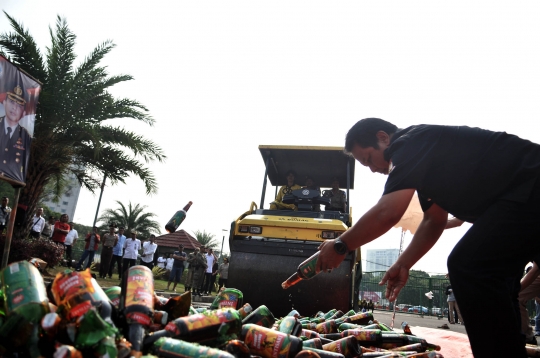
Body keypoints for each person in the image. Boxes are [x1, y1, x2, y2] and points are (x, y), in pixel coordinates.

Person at [316, 117, 540, 357]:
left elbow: (388, 212)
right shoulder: (423, 163)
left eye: (369, 159)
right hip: (523, 199)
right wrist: (404, 263)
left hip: (530, 184)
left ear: (383, 138)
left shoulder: (408, 144)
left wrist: (341, 245)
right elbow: (434, 220)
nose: (372, 169)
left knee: (469, 266)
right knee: (497, 280)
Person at [0, 85, 32, 182]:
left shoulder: (26, 137)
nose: (14, 108)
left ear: (23, 113)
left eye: (19, 105)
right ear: (4, 103)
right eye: (12, 102)